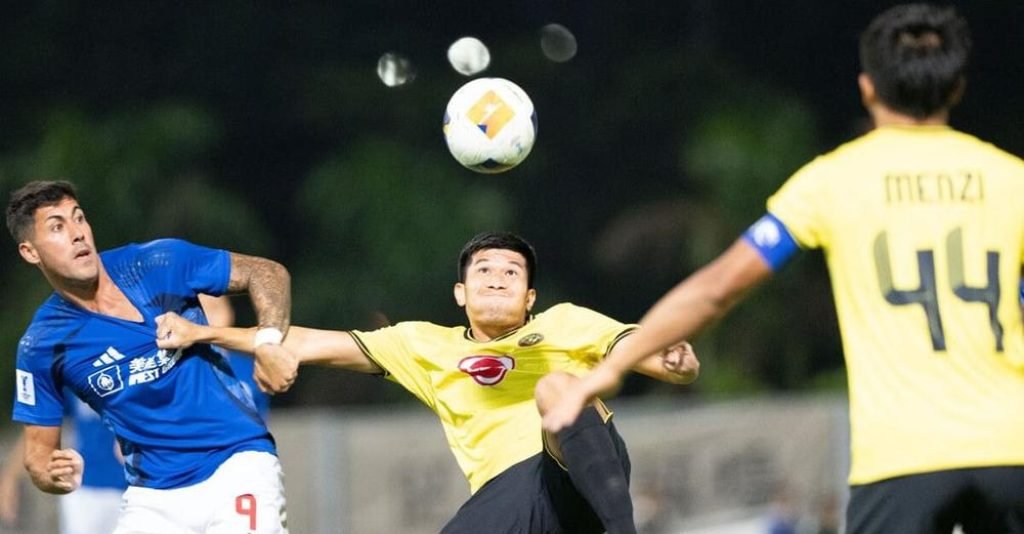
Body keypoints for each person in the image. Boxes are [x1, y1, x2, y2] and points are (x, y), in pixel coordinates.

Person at [542, 4, 1024, 533]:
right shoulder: (1010, 178)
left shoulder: (835, 180)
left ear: (867, 88)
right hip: (1012, 449)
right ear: (957, 88)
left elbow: (718, 288)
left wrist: (614, 366)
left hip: (904, 458)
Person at [155, 231, 699, 534]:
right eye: (484, 269)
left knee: (556, 389)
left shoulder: (564, 323)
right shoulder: (424, 344)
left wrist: (673, 359)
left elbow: (647, 352)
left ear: (531, 297)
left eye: (513, 272)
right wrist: (202, 333)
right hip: (509, 505)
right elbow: (302, 341)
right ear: (460, 292)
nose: (498, 276)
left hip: (577, 473)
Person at [6, 180, 298, 533]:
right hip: (153, 497)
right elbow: (38, 454)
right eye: (57, 226)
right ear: (30, 252)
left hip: (236, 465)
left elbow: (266, 272)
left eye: (79, 218)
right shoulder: (42, 345)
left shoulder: (157, 263)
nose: (77, 233)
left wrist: (267, 342)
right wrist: (49, 474)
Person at [1, 395, 127, 534]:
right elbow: (40, 429)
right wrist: (10, 477)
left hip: (140, 488)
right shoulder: (67, 377)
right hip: (86, 489)